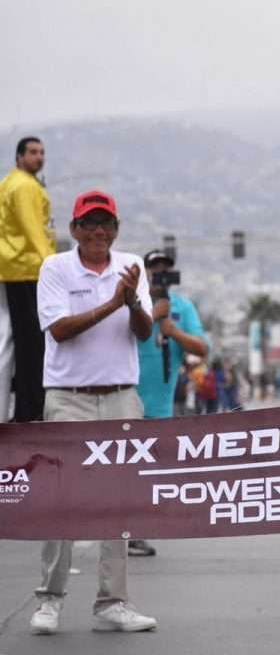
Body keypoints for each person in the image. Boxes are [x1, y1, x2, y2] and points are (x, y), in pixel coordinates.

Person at [29, 190, 156, 635]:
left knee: (118, 499)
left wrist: (133, 301)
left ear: (116, 230)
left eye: (106, 223)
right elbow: (60, 330)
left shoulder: (131, 266)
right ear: (74, 229)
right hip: (69, 397)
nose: (98, 231)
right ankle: (49, 600)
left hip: (121, 395)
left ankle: (112, 602)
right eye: (89, 223)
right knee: (63, 497)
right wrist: (113, 303)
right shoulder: (55, 268)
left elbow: (144, 332)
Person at [130, 248, 209, 558]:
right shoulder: (132, 302)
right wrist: (150, 314)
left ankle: (133, 531)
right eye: (155, 269)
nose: (160, 275)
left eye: (166, 270)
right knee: (130, 471)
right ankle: (129, 533)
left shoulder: (183, 307)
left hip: (161, 406)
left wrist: (172, 330)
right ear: (145, 272)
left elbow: (202, 348)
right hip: (126, 399)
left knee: (149, 473)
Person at [0, 136, 55, 422]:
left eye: (42, 152)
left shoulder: (12, 182)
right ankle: (29, 411)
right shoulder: (24, 186)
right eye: (33, 152)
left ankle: (23, 409)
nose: (39, 157)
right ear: (19, 156)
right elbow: (33, 229)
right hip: (27, 269)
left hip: (14, 268)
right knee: (32, 347)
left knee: (18, 344)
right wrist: (52, 264)